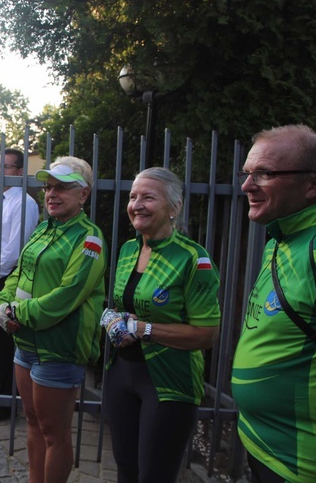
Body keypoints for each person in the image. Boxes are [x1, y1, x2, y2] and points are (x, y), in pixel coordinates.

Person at [232, 125, 316, 482]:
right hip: (263, 450)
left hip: (311, 466)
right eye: (247, 173)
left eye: (264, 174)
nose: (247, 186)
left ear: (313, 185)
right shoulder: (280, 240)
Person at [104, 167, 221, 483]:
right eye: (133, 197)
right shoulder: (130, 248)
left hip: (169, 381)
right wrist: (112, 319)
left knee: (154, 475)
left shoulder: (194, 259)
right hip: (121, 373)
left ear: (174, 207)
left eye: (148, 197)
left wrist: (144, 330)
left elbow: (207, 334)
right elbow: (123, 306)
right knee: (126, 469)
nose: (137, 204)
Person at [0, 156, 106, 482]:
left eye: (63, 187)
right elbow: (17, 276)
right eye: (49, 187)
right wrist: (2, 306)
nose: (52, 194)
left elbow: (66, 297)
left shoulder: (90, 239)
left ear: (83, 194)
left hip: (59, 348)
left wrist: (17, 313)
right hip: (25, 342)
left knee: (54, 432)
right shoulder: (45, 228)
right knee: (32, 423)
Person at [0, 147, 39, 423]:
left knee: (3, 343)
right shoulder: (3, 200)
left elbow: (15, 251)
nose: (0, 171)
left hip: (4, 277)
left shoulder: (23, 203)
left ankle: (5, 402)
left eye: (7, 167)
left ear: (19, 172)